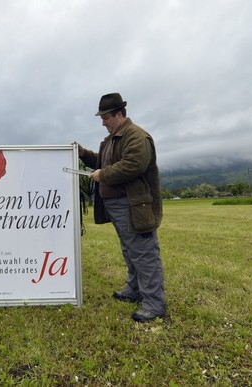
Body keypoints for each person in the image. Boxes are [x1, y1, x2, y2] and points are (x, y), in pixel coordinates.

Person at [79, 93, 166, 323]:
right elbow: (102, 162)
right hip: (119, 205)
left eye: (106, 117)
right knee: (130, 250)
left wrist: (102, 175)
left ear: (119, 113)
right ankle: (135, 289)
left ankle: (154, 303)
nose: (103, 122)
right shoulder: (113, 138)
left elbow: (133, 165)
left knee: (144, 252)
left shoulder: (135, 135)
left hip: (133, 205)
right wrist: (82, 153)